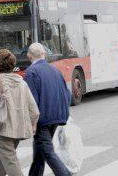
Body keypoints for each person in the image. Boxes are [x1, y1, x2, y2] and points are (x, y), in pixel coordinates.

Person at [0, 49, 40, 176]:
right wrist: (33, 124)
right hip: (19, 128)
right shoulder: (22, 83)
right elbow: (34, 110)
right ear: (13, 64)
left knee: (10, 161)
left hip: (2, 128)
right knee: (0, 161)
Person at [25, 43, 72, 176]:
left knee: (46, 150)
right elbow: (67, 94)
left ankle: (65, 174)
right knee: (40, 149)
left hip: (42, 119)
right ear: (44, 54)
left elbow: (31, 100)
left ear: (29, 55)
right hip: (57, 116)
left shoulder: (31, 72)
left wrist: (32, 122)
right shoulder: (55, 70)